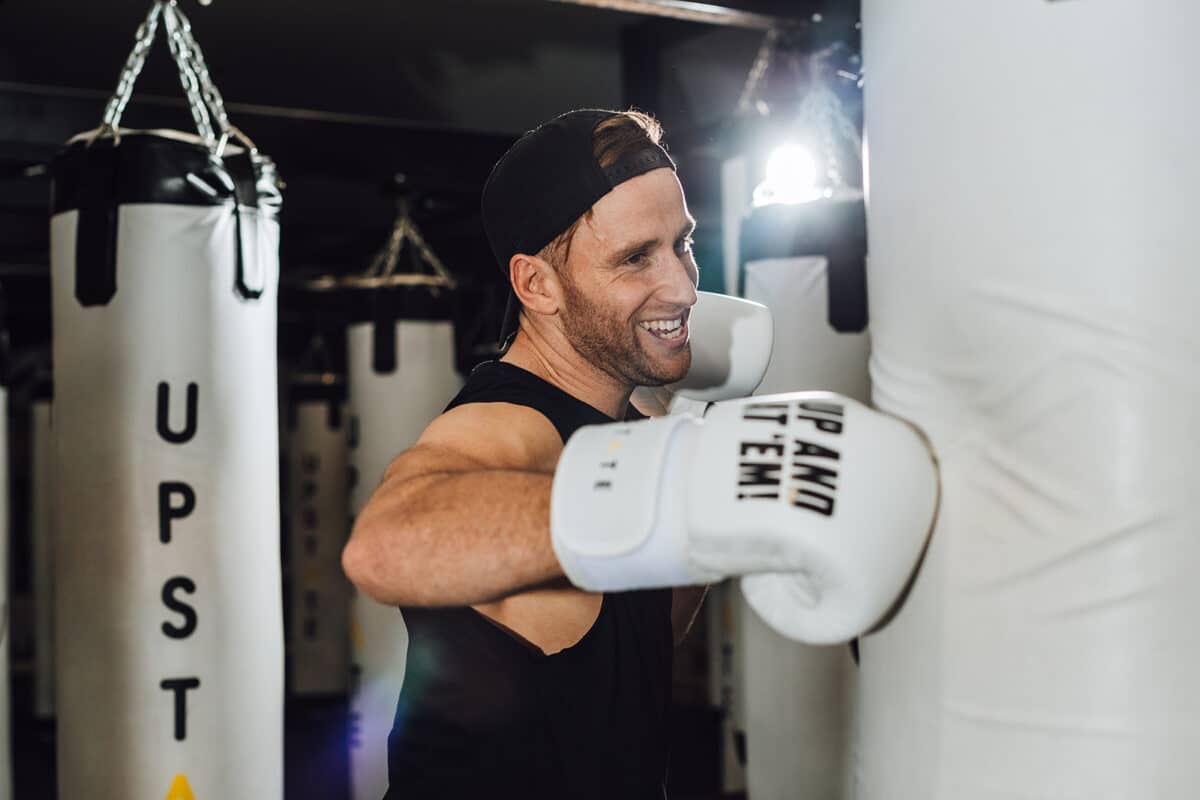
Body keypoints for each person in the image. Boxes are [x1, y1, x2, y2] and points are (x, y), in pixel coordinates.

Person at [342, 108, 708, 799]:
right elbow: (385, 547)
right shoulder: (506, 428)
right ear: (537, 285)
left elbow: (638, 649)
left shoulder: (633, 430)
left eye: (683, 244)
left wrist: (703, 433)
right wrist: (709, 482)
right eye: (636, 257)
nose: (685, 287)